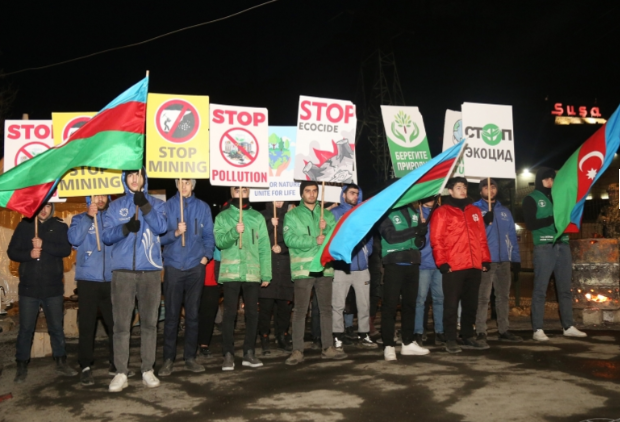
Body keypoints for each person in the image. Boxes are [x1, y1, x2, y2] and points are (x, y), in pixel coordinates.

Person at [102, 169, 167, 392]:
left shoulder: (156, 204)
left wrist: (145, 205)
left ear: (144, 179)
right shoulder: (114, 205)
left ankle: (148, 369)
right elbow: (106, 236)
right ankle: (121, 372)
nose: (134, 179)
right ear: (125, 179)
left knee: (149, 323)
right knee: (121, 325)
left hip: (150, 270)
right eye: (130, 175)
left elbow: (161, 227)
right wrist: (126, 228)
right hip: (122, 273)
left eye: (137, 175)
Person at [8, 202, 76, 383]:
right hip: (28, 289)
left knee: (56, 328)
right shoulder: (24, 226)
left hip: (53, 288)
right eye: (40, 206)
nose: (43, 210)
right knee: (26, 329)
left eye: (47, 206)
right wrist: (28, 254)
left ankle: (61, 361)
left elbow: (65, 250)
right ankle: (21, 365)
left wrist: (44, 244)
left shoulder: (60, 226)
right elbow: (12, 252)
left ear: (52, 207)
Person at [283, 181, 347, 365]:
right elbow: (289, 239)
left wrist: (326, 228)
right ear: (302, 193)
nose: (311, 194)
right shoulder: (292, 215)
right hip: (304, 269)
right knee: (300, 311)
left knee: (326, 309)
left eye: (314, 191)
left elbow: (335, 237)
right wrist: (314, 240)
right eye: (307, 191)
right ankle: (297, 350)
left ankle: (328, 348)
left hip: (324, 267)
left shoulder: (326, 214)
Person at [523, 167, 587, 341]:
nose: (551, 182)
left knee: (565, 289)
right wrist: (554, 217)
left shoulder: (559, 197)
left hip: (563, 244)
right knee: (540, 289)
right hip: (544, 246)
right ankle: (537, 329)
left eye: (553, 179)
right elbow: (531, 224)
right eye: (547, 179)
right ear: (540, 180)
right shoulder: (531, 198)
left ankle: (568, 325)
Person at [159, 179, 214, 376]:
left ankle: (190, 357)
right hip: (173, 265)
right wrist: (175, 233)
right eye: (181, 182)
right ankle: (168, 359)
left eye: (188, 182)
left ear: (193, 184)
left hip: (195, 266)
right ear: (175, 183)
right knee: (172, 316)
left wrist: (206, 256)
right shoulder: (167, 207)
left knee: (192, 314)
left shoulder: (203, 207)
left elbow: (209, 235)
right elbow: (160, 237)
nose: (184, 186)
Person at [430, 177, 491, 353]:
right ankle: (450, 338)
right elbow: (437, 239)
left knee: (471, 303)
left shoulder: (475, 211)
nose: (462, 190)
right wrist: (442, 262)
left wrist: (485, 258)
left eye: (464, 187)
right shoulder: (443, 212)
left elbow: (481, 237)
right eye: (458, 187)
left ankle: (467, 335)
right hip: (454, 266)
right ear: (450, 191)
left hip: (474, 265)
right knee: (451, 303)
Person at [68, 195, 123, 386]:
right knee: (86, 325)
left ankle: (116, 363)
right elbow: (73, 239)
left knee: (115, 324)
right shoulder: (79, 218)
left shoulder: (113, 218)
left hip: (111, 279)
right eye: (95, 196)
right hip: (87, 280)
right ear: (88, 198)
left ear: (108, 198)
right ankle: (85, 366)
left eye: (103, 196)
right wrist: (88, 218)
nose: (99, 199)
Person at [214, 187, 271, 371]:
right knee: (230, 314)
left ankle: (249, 352)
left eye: (244, 190)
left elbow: (263, 245)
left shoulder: (257, 217)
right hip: (231, 272)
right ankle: (228, 354)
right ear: (231, 192)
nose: (241, 193)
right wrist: (233, 232)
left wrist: (266, 273)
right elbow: (220, 242)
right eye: (237, 190)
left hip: (252, 271)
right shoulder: (222, 217)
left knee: (252, 314)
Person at [378, 198, 430, 361]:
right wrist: (415, 230)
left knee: (410, 304)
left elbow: (419, 243)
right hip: (394, 262)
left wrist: (421, 235)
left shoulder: (414, 212)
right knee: (390, 305)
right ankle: (388, 345)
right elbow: (391, 237)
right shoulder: (386, 212)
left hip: (413, 262)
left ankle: (407, 343)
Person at [473, 179, 522, 345]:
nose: (490, 190)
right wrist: (484, 221)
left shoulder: (505, 211)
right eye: (486, 187)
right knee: (482, 298)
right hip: (486, 260)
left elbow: (512, 237)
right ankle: (480, 331)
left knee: (502, 296)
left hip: (504, 260)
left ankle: (504, 329)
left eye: (493, 186)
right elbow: (472, 235)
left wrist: (515, 258)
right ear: (481, 191)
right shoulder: (474, 210)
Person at [330, 184, 376, 348]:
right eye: (352, 193)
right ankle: (337, 335)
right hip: (341, 268)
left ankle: (364, 334)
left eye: (357, 193)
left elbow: (370, 234)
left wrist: (367, 250)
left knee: (364, 304)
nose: (355, 196)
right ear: (343, 195)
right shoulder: (334, 213)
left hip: (362, 268)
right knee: (338, 304)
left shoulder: (363, 213)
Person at [259, 201, 294, 355]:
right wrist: (268, 225)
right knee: (266, 306)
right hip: (268, 265)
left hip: (285, 266)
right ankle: (264, 337)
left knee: (284, 306)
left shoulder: (291, 216)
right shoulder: (262, 216)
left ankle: (282, 336)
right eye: (276, 198)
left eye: (281, 198)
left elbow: (295, 239)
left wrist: (284, 247)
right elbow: (255, 239)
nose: (279, 202)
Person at [414, 197, 445, 347]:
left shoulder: (441, 213)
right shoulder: (416, 214)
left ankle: (440, 331)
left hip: (439, 263)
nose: (430, 199)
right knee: (420, 299)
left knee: (439, 299)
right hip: (422, 264)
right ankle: (418, 331)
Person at [197, 248, 221, 358]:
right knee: (195, 312)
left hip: (212, 275)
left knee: (209, 313)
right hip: (193, 272)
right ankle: (193, 342)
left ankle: (204, 344)